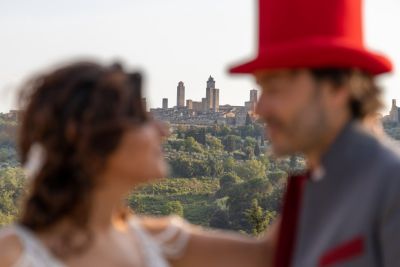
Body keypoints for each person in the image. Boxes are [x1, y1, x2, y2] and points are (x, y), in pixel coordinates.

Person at [0, 62, 274, 267]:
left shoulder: (161, 240)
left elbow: (275, 253)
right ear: (86, 136)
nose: (163, 129)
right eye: (141, 119)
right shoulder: (11, 255)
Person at [229, 0, 400, 266]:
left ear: (336, 87)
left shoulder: (392, 185)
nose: (259, 109)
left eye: (274, 88)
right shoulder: (319, 183)